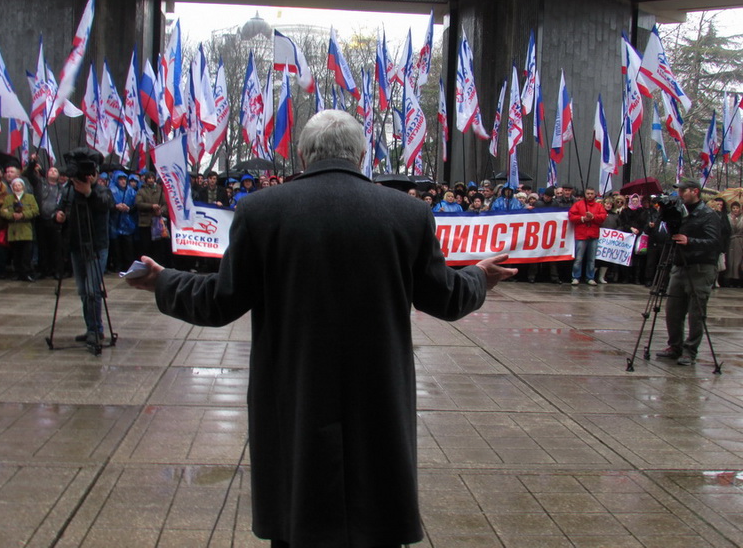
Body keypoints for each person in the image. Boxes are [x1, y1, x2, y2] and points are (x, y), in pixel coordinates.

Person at [127, 110, 516, 547]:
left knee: (300, 514)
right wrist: (479, 276)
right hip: (377, 398)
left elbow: (221, 301)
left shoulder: (261, 211)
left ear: (303, 154)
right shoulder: (407, 213)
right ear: (363, 153)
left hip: (295, 393)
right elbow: (444, 297)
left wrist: (164, 281)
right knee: (375, 516)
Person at [655, 179, 722, 366]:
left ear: (695, 191)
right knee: (673, 310)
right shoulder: (680, 212)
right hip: (679, 265)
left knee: (696, 311)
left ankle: (690, 350)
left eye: (684, 191)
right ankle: (674, 345)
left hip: (700, 267)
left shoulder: (708, 214)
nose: (681, 194)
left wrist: (690, 240)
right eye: (679, 191)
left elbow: (716, 242)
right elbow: (664, 235)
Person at [55, 152, 115, 349]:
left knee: (92, 290)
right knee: (83, 291)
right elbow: (58, 208)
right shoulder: (68, 191)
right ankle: (91, 327)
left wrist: (89, 192)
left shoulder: (102, 191)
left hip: (97, 246)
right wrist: (60, 215)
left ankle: (96, 330)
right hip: (76, 244)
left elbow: (106, 204)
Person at [0, 178, 39, 282]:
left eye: (19, 185)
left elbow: (35, 210)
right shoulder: (8, 198)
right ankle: (17, 273)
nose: (17, 187)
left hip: (26, 228)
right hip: (14, 229)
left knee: (26, 254)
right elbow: (3, 212)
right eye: (15, 186)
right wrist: (12, 215)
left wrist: (23, 214)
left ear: (23, 187)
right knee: (16, 253)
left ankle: (27, 273)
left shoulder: (30, 198)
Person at [568, 187, 606, 285]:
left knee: (591, 259)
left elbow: (603, 216)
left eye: (591, 193)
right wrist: (582, 218)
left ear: (594, 195)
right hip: (581, 235)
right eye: (588, 193)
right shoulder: (578, 205)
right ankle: (576, 277)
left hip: (593, 235)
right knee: (578, 258)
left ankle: (590, 277)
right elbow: (571, 216)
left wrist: (593, 217)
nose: (589, 195)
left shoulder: (599, 206)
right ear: (585, 194)